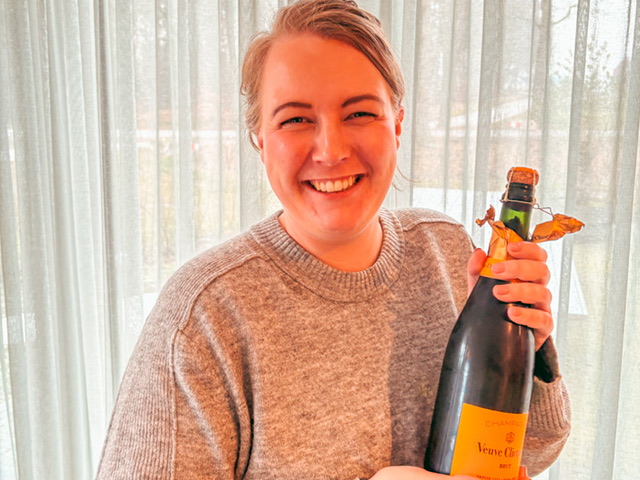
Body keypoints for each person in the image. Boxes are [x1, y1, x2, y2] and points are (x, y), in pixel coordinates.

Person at [96, 1, 570, 479]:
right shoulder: (204, 313)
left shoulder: (445, 248)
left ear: (397, 124)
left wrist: (529, 345)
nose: (331, 150)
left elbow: (531, 450)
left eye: (360, 113)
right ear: (260, 140)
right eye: (295, 120)